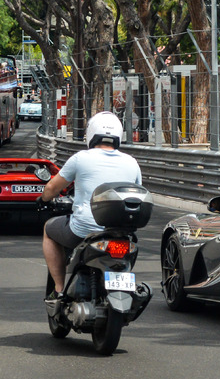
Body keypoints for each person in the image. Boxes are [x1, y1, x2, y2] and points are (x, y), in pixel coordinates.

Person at [37, 111, 142, 300]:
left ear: (91, 133)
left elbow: (53, 187)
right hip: (122, 232)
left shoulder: (81, 158)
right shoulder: (132, 162)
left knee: (48, 230)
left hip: (83, 230)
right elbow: (137, 192)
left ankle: (59, 289)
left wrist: (43, 199)